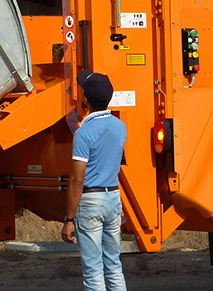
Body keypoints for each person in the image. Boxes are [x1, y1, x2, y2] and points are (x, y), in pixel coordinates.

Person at [62, 70, 128, 291]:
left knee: (93, 271)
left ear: (85, 100)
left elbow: (77, 180)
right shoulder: (120, 127)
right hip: (113, 198)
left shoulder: (83, 133)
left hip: (91, 200)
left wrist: (69, 218)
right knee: (114, 266)